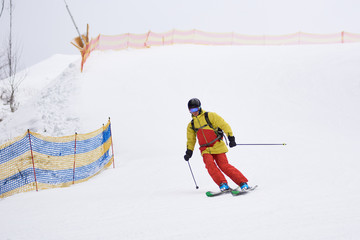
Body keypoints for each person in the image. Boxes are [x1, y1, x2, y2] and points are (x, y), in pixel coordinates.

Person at [184, 98, 249, 192]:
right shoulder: (191, 125)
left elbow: (224, 125)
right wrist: (189, 152)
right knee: (210, 165)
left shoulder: (210, 116)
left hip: (217, 145)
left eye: (195, 109)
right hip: (205, 149)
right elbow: (191, 140)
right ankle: (223, 184)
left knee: (224, 165)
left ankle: (243, 183)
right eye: (191, 110)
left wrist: (231, 137)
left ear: (200, 107)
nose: (194, 112)